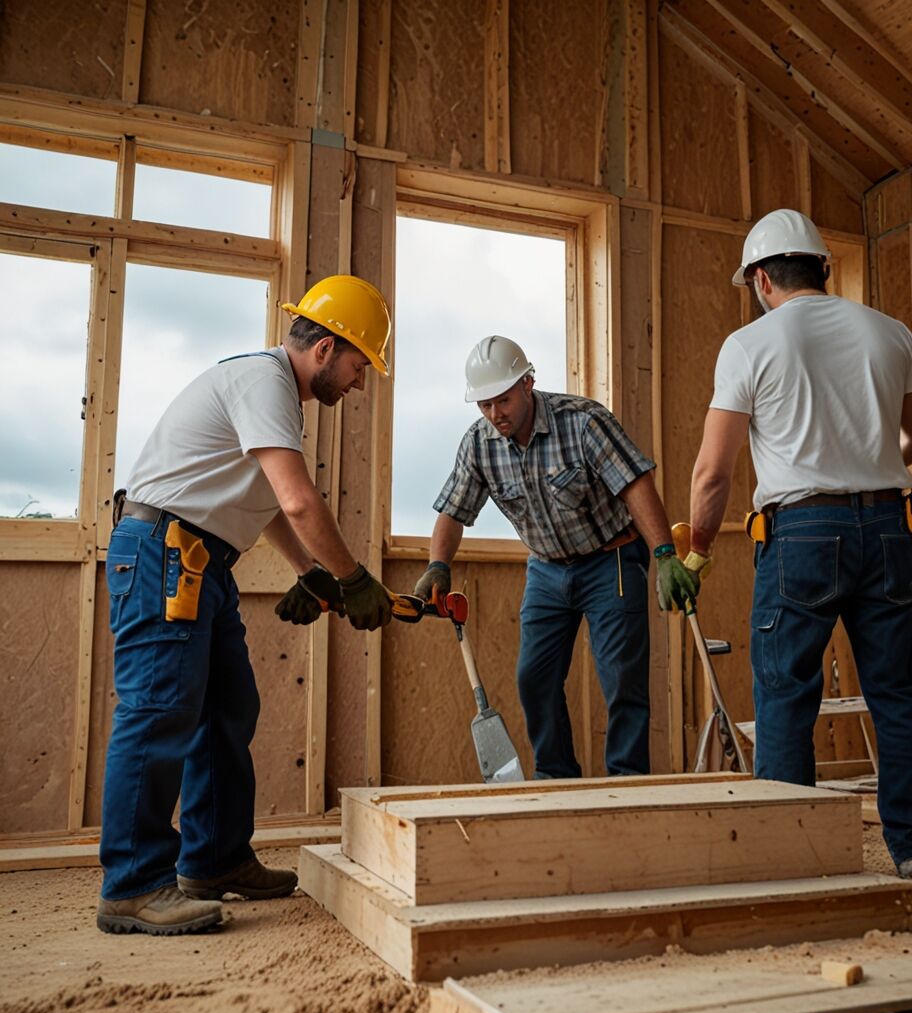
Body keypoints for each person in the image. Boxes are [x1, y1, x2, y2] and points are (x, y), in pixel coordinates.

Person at [97, 275, 396, 935]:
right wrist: (350, 579)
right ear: (323, 348)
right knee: (158, 712)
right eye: (357, 364)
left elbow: (263, 504)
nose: (359, 382)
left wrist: (309, 573)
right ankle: (132, 885)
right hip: (163, 552)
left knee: (229, 707)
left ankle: (213, 860)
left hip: (201, 559)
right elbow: (297, 500)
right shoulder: (265, 383)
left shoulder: (276, 398)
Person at [684, 208, 912, 887]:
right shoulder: (890, 334)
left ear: (762, 279)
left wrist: (699, 550)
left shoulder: (750, 344)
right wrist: (865, 462)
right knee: (897, 694)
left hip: (801, 533)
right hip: (889, 525)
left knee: (784, 694)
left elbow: (713, 471)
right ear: (822, 269)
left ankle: (791, 858)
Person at [413, 335, 699, 780]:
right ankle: (556, 778)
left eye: (503, 400)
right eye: (484, 405)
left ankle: (628, 781)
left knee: (622, 680)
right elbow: (453, 511)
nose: (495, 415)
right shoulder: (479, 443)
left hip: (612, 560)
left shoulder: (583, 423)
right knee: (534, 679)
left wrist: (663, 554)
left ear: (528, 383)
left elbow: (635, 486)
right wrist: (437, 565)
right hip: (546, 570)